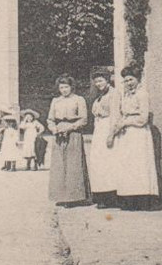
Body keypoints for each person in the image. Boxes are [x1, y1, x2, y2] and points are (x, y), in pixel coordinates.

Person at [107, 64, 160, 211]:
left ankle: (143, 200)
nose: (128, 83)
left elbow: (143, 118)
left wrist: (126, 122)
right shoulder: (126, 95)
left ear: (138, 79)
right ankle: (130, 200)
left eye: (131, 80)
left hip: (139, 134)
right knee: (128, 166)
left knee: (139, 165)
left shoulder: (142, 94)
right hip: (127, 135)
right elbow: (123, 113)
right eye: (126, 80)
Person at [47, 75, 91, 206]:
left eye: (66, 87)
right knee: (59, 165)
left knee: (73, 164)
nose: (64, 90)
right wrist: (54, 129)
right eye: (61, 87)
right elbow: (50, 119)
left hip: (73, 134)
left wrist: (70, 127)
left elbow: (84, 119)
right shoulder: (56, 101)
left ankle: (75, 197)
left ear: (71, 87)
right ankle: (61, 196)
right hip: (59, 134)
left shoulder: (79, 100)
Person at [89, 67, 119, 207]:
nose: (98, 84)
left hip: (108, 128)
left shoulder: (114, 94)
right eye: (96, 82)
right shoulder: (99, 96)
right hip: (99, 130)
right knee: (98, 163)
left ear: (107, 80)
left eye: (101, 81)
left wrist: (111, 134)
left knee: (109, 163)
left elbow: (115, 115)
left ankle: (110, 197)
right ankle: (100, 194)